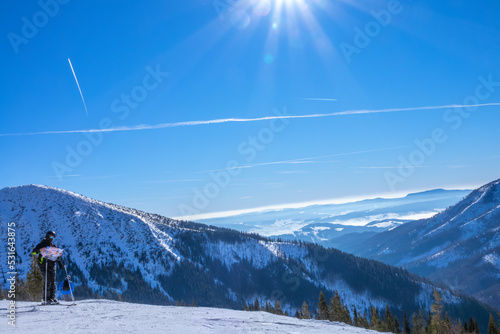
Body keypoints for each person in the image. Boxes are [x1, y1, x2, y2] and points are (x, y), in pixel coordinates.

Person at [32, 231, 64, 304]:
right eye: (50, 236)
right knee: (47, 281)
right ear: (47, 236)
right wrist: (40, 250)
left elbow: (56, 257)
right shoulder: (41, 245)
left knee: (53, 282)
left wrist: (60, 264)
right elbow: (34, 252)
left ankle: (53, 298)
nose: (51, 238)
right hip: (44, 264)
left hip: (52, 265)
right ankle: (46, 299)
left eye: (53, 237)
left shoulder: (53, 246)